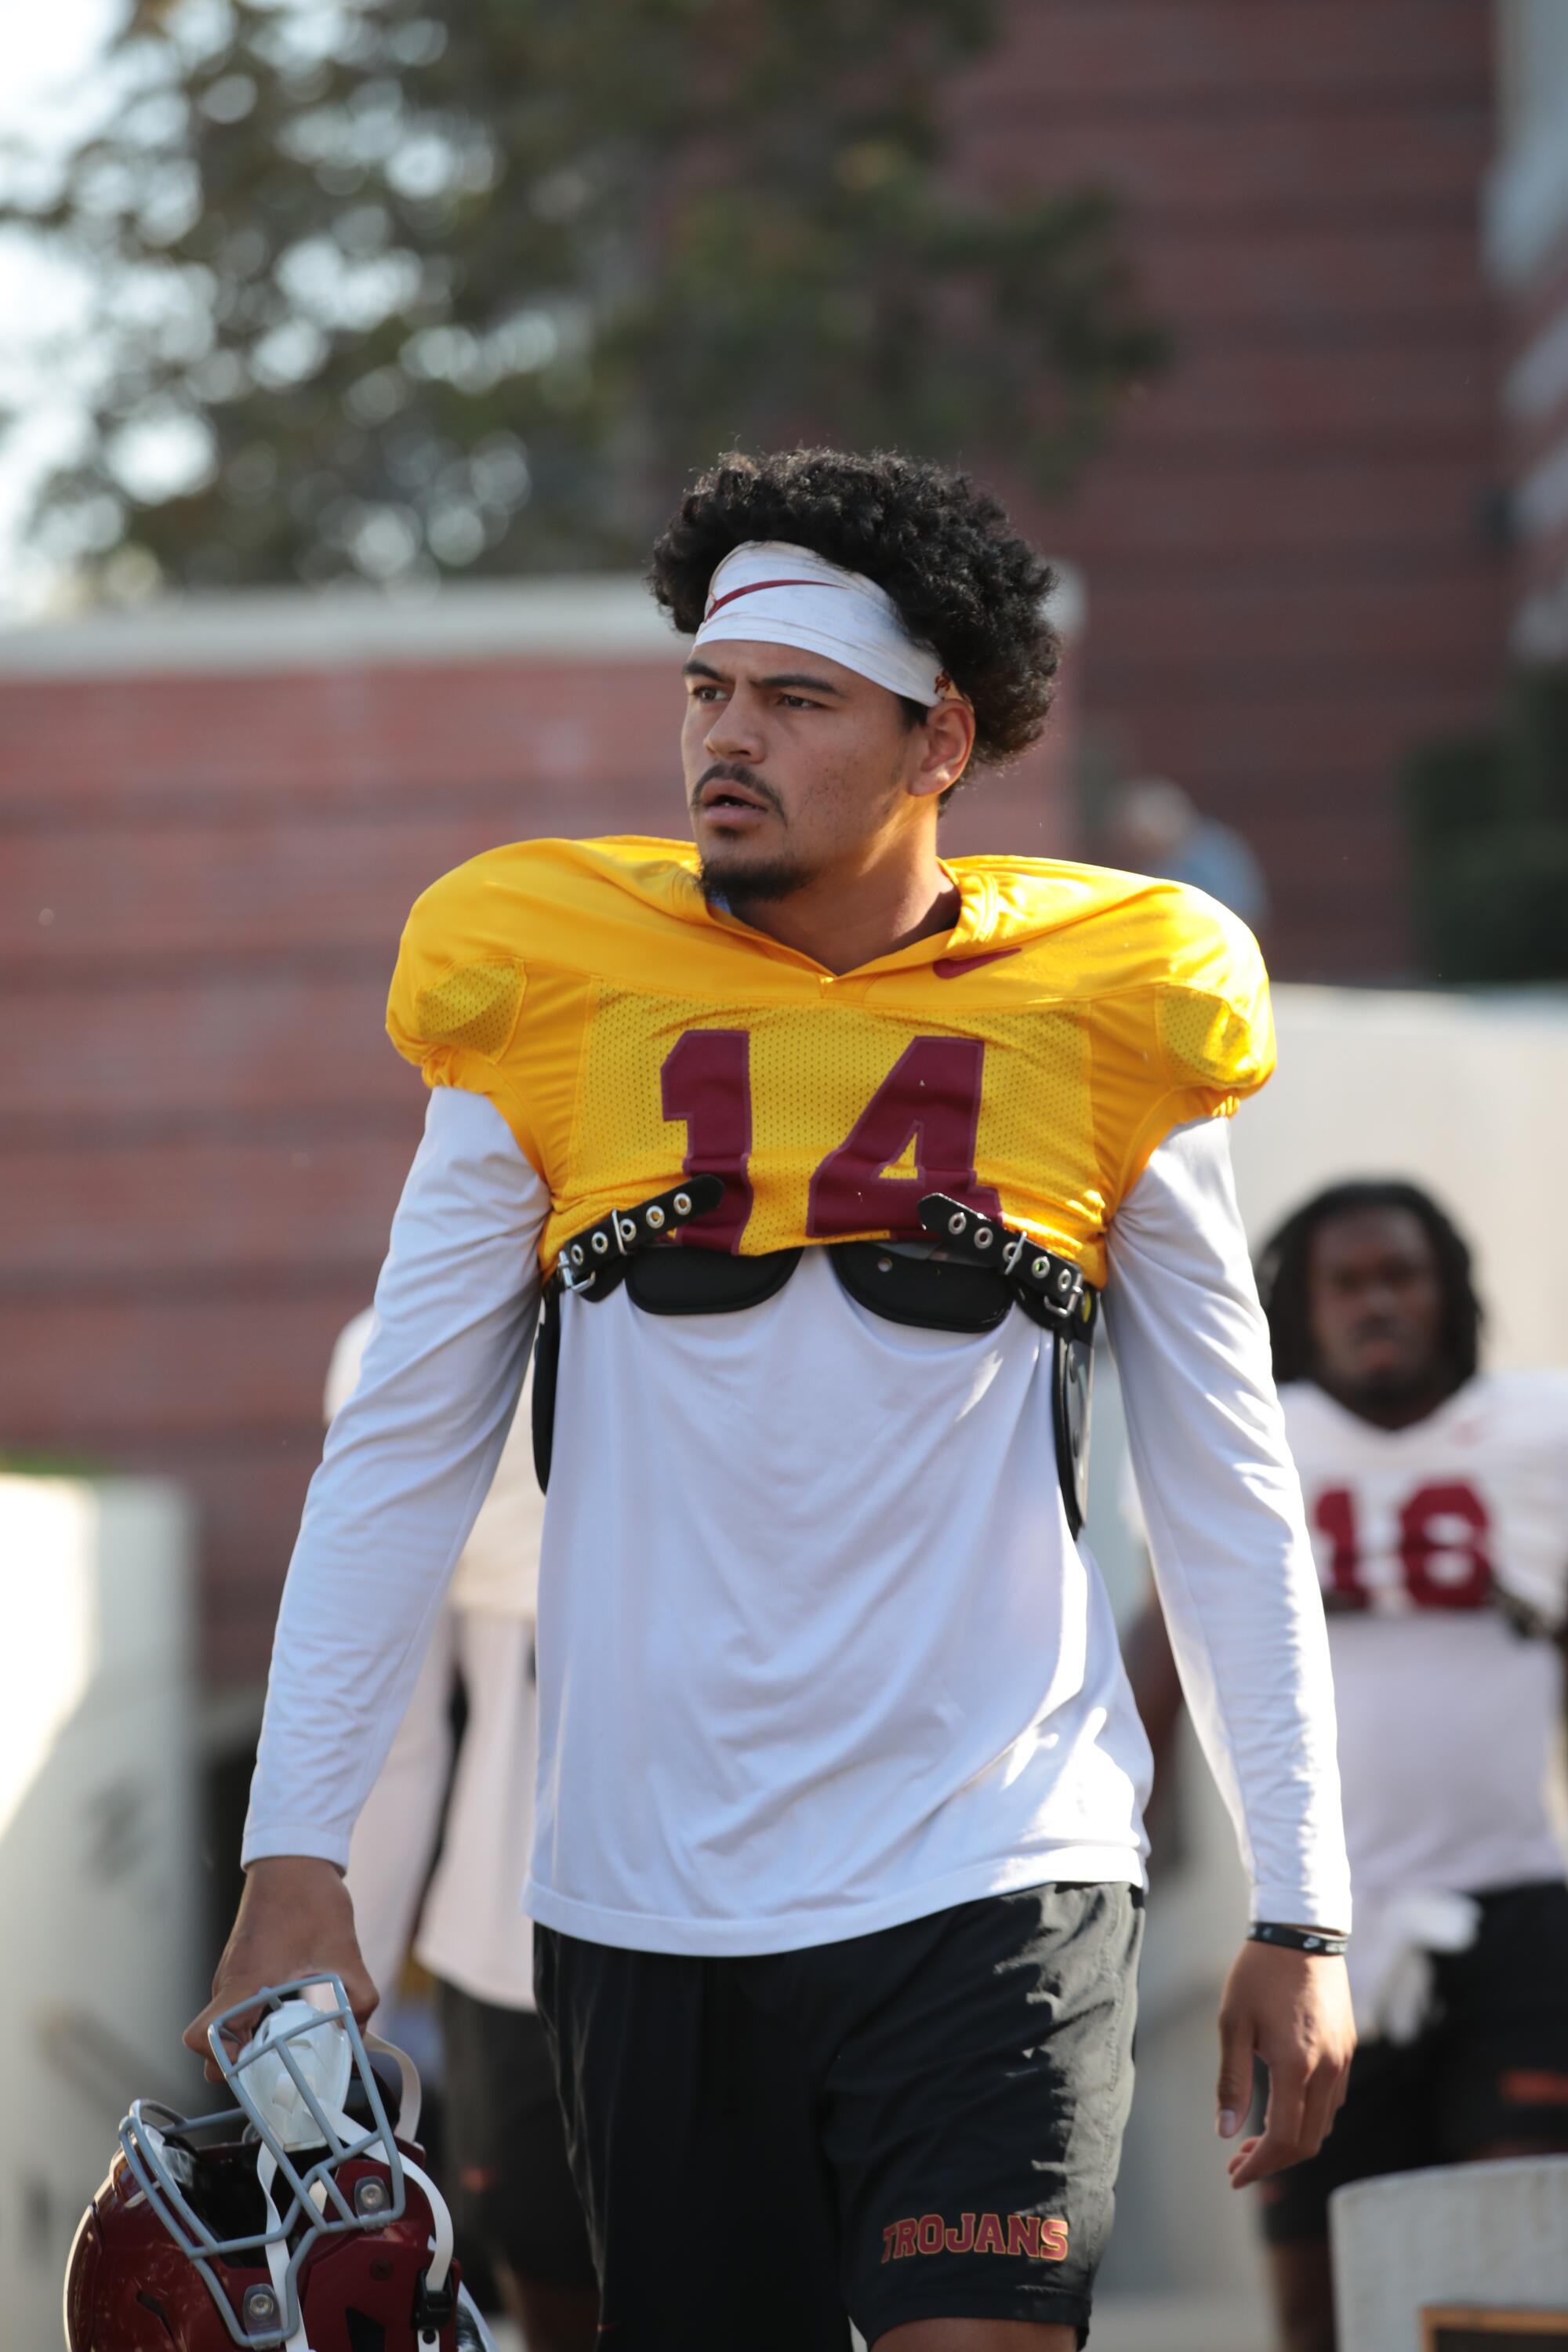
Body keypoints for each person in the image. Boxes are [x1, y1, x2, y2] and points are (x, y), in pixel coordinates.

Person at [191, 446, 1353, 2352]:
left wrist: (1300, 1902)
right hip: (643, 1893)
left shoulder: (1100, 1005)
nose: (725, 740)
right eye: (706, 691)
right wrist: (292, 1860)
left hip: (996, 1859)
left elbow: (1229, 1481)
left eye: (795, 700)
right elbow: (394, 1454)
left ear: (934, 740)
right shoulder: (545, 992)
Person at [1124, 1179, 1568, 2352]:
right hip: (1314, 1935)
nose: (1378, 1304)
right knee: (1318, 2294)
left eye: (1401, 1276)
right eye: (1349, 1282)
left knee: (1518, 2265)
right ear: (1300, 1306)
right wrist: (1136, 1835)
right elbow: (1165, 1634)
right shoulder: (1251, 1439)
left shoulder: (1540, 1439)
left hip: (1514, 1908)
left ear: (1451, 1294)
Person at [328, 1316, 599, 2352]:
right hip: (510, 1943)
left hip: (743, 1930)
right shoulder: (401, 1349)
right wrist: (342, 2024)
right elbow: (393, 1730)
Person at [1104, 775, 1269, 931]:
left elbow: (1245, 913)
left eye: (1141, 840)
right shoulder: (1149, 863)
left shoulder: (1213, 855)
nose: (1135, 851)